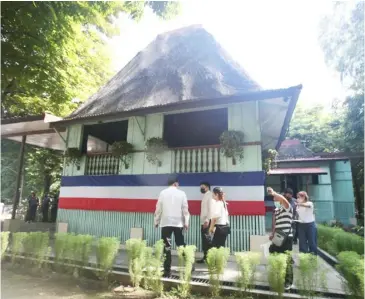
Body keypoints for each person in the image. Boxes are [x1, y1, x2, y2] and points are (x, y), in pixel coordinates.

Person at [154, 175, 190, 277]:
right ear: (175, 183)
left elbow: (158, 208)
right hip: (178, 223)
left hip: (166, 223)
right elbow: (185, 209)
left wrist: (156, 221)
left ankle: (167, 271)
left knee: (166, 246)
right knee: (181, 244)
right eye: (178, 184)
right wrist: (186, 222)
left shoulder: (163, 193)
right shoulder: (182, 193)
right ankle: (189, 266)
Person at [267, 187, 294, 290]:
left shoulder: (288, 207)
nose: (274, 199)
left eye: (275, 198)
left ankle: (288, 282)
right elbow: (275, 224)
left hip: (287, 238)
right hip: (277, 238)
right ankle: (277, 278)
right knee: (273, 254)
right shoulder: (277, 211)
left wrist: (273, 192)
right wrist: (272, 234)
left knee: (287, 260)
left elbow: (283, 199)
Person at [197, 181, 213, 264]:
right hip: (204, 221)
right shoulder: (206, 195)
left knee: (207, 239)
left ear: (207, 187)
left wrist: (207, 220)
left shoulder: (210, 195)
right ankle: (206, 257)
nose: (201, 188)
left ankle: (209, 257)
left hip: (208, 221)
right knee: (205, 240)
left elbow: (211, 209)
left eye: (202, 186)